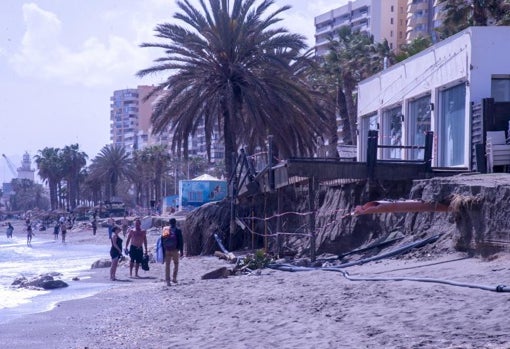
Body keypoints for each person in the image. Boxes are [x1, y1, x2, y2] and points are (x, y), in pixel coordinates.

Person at [162, 218, 184, 286]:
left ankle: (168, 280)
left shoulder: (166, 230)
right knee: (176, 264)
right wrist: (181, 250)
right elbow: (181, 241)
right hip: (175, 250)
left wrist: (163, 250)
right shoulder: (178, 230)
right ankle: (174, 278)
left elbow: (163, 240)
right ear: (175, 222)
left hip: (167, 250)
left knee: (167, 265)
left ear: (169, 223)